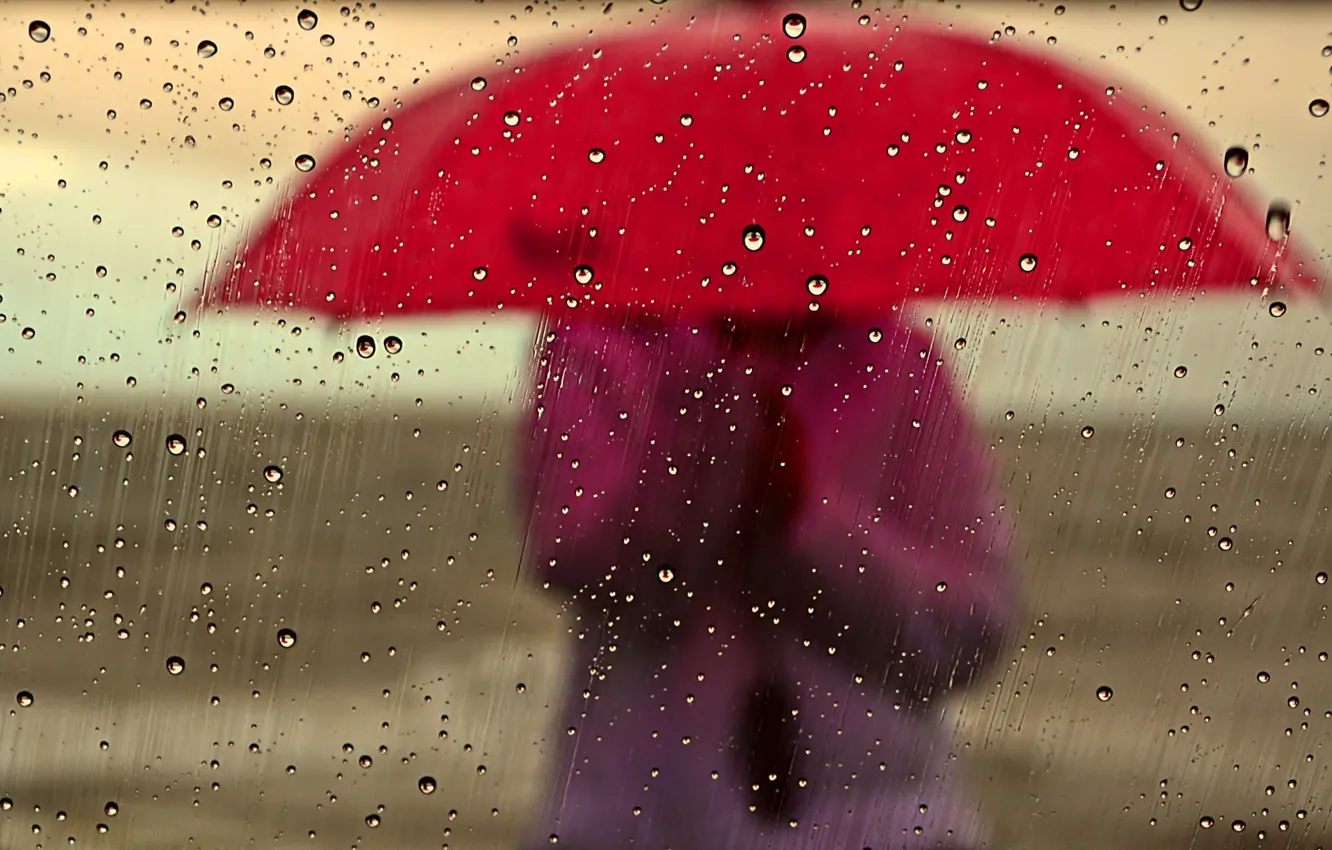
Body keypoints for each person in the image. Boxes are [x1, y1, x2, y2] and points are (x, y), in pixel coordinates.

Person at [519, 310, 1014, 849]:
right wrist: (716, 438)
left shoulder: (900, 359)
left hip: (883, 823)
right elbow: (575, 554)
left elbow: (973, 628)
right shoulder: (597, 341)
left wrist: (801, 524)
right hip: (637, 820)